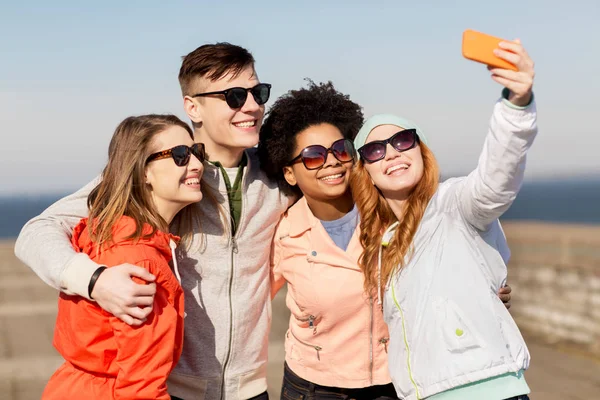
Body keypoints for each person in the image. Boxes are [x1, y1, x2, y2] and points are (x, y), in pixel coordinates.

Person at [15, 43, 291, 400]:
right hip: (170, 389)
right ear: (193, 106)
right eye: (234, 96)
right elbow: (36, 232)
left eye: (258, 92)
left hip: (252, 390)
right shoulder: (166, 172)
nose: (252, 106)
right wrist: (94, 280)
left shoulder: (278, 178)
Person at [258, 81, 514, 400]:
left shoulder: (391, 215)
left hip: (395, 383)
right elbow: (247, 303)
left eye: (340, 150)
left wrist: (482, 294)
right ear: (290, 172)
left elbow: (453, 252)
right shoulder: (283, 233)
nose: (331, 161)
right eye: (312, 156)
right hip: (313, 388)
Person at [350, 40, 536, 400]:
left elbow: (496, 181)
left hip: (488, 390)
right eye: (375, 150)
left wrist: (517, 104)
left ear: (421, 150)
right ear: (367, 171)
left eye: (403, 140)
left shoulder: (452, 205)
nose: (391, 153)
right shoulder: (381, 240)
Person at [42, 114, 205, 399]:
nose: (197, 164)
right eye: (180, 155)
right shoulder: (141, 264)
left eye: (196, 152)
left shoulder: (106, 231)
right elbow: (142, 389)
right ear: (143, 172)